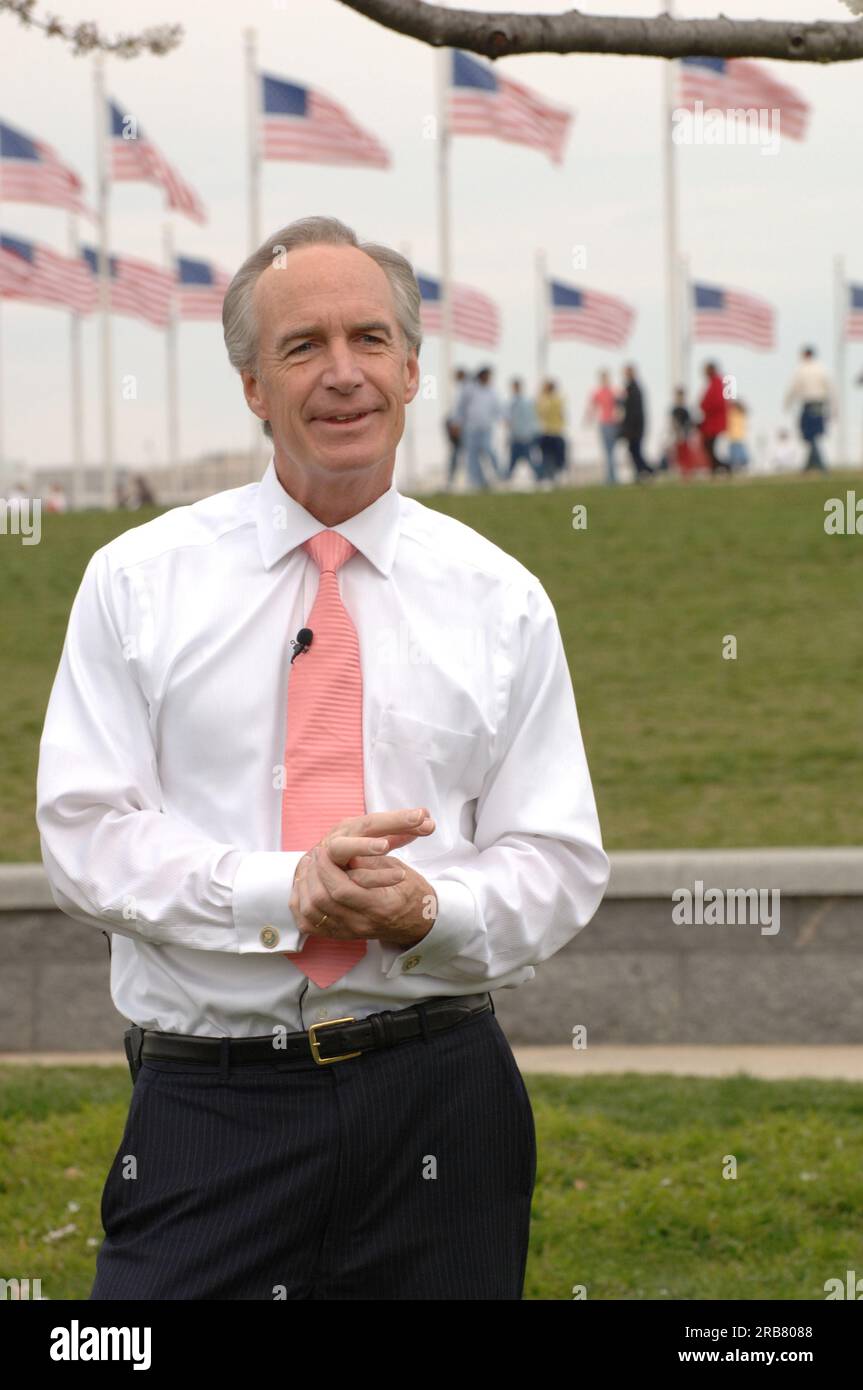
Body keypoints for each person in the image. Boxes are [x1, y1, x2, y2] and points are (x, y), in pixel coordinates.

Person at [36, 213, 609, 1302]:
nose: (342, 374)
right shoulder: (134, 581)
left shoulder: (501, 598)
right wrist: (282, 888)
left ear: (410, 367)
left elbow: (557, 858)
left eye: (368, 340)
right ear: (254, 386)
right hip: (211, 1111)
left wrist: (427, 912)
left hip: (443, 1100)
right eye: (302, 347)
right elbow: (86, 836)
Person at [784, 345, 837, 472]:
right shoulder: (822, 369)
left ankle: (820, 465)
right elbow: (831, 389)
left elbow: (794, 388)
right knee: (812, 435)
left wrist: (787, 403)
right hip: (820, 405)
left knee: (810, 434)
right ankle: (810, 465)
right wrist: (834, 407)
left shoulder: (802, 370)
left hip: (809, 405)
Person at [458, 365, 504, 490]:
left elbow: (498, 409)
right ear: (481, 375)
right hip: (471, 428)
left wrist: (503, 419)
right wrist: (457, 422)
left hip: (486, 428)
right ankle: (478, 482)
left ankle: (500, 474)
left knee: (488, 449)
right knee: (472, 456)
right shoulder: (470, 389)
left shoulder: (492, 392)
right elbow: (461, 407)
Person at [583, 369, 619, 485]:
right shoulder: (610, 392)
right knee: (609, 452)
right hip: (607, 423)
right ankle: (611, 476)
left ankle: (611, 477)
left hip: (610, 423)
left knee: (610, 452)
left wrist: (588, 418)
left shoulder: (612, 391)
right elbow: (592, 407)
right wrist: (588, 419)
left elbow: (592, 408)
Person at [619, 364, 653, 480]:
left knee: (635, 450)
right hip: (635, 427)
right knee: (634, 450)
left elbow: (633, 411)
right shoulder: (633, 387)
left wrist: (629, 428)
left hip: (635, 427)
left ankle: (647, 470)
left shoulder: (633, 388)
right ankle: (642, 472)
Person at [506, 377, 541, 482]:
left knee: (531, 460)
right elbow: (508, 421)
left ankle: (540, 477)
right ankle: (505, 478)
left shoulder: (527, 402)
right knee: (512, 462)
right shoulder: (511, 403)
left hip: (526, 437)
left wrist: (533, 433)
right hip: (515, 437)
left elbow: (532, 419)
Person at [535, 378, 567, 485]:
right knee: (547, 457)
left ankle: (555, 477)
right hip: (547, 432)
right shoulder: (549, 400)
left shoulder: (553, 400)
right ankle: (549, 477)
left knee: (556, 457)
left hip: (555, 432)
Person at [699, 362, 729, 474]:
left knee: (711, 447)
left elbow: (716, 403)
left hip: (714, 423)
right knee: (709, 447)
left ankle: (722, 467)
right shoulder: (713, 383)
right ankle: (716, 468)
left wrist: (704, 406)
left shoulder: (716, 383)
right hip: (710, 422)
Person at [444, 366, 469, 488]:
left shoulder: (464, 390)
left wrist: (455, 425)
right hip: (459, 426)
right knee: (457, 453)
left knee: (459, 453)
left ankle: (454, 478)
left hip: (461, 427)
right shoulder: (462, 389)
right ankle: (452, 478)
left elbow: (460, 410)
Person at [725, 399, 749, 471]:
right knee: (737, 452)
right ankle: (739, 465)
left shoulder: (733, 413)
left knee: (736, 453)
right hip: (737, 436)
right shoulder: (741, 414)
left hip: (735, 437)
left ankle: (738, 465)